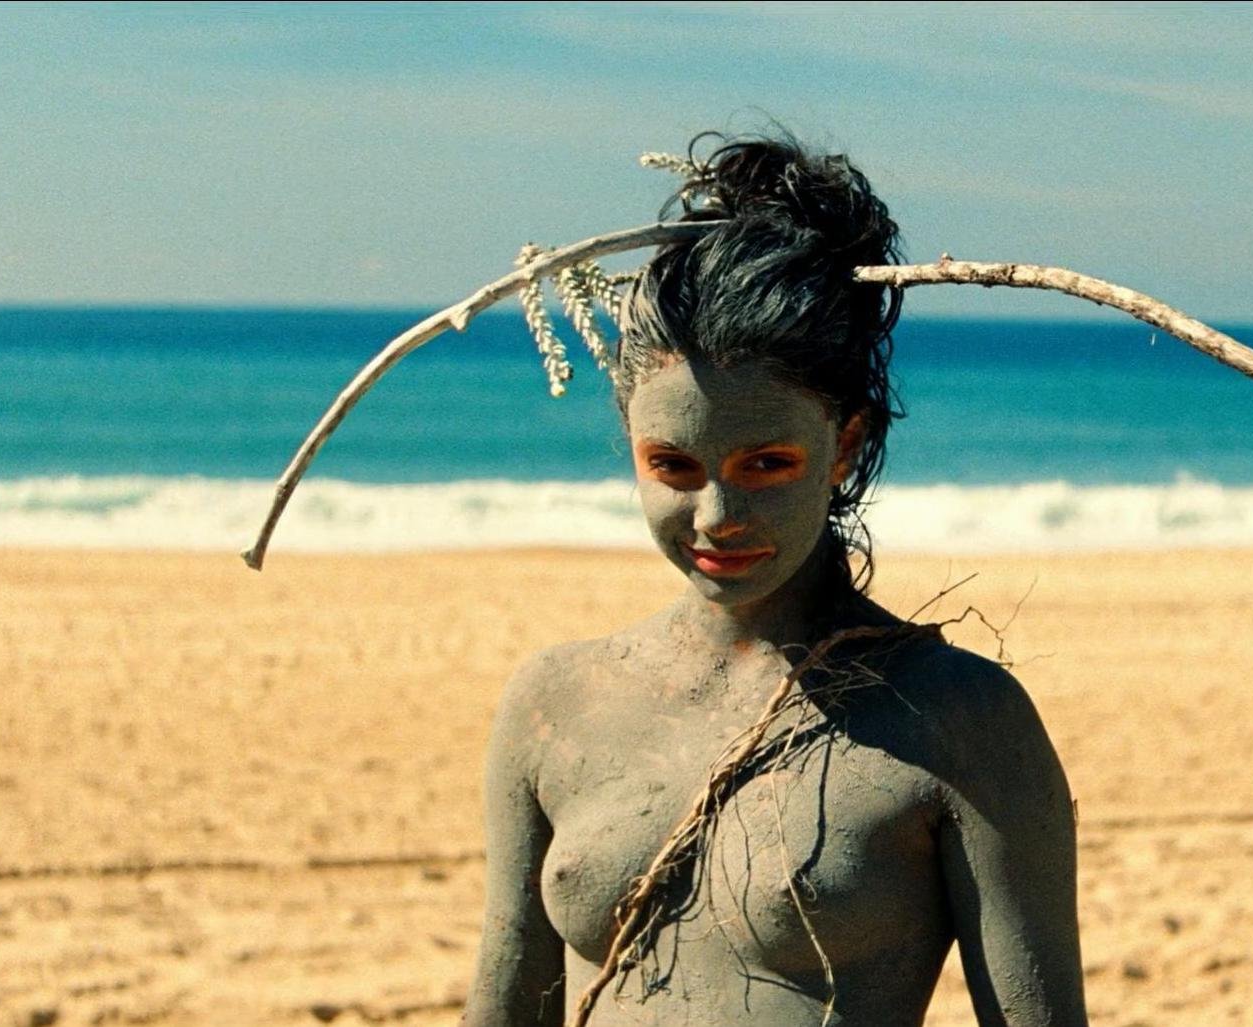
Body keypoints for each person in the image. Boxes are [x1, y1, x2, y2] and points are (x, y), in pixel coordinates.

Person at [460, 133, 1087, 1026]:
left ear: (846, 446)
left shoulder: (957, 721)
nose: (717, 514)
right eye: (674, 466)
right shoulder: (555, 705)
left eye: (766, 463)